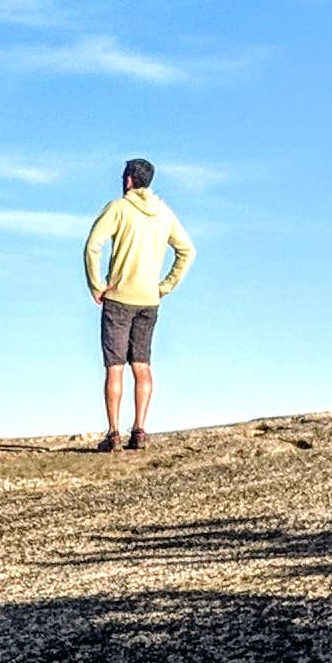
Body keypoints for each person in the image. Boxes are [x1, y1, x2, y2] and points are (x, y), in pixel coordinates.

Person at [81, 158, 195, 451]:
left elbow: (93, 245)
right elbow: (187, 251)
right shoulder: (164, 213)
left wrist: (96, 285)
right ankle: (140, 430)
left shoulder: (119, 208)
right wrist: (165, 287)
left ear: (129, 179)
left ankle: (113, 434)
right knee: (142, 366)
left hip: (118, 298)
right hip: (149, 300)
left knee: (115, 368)